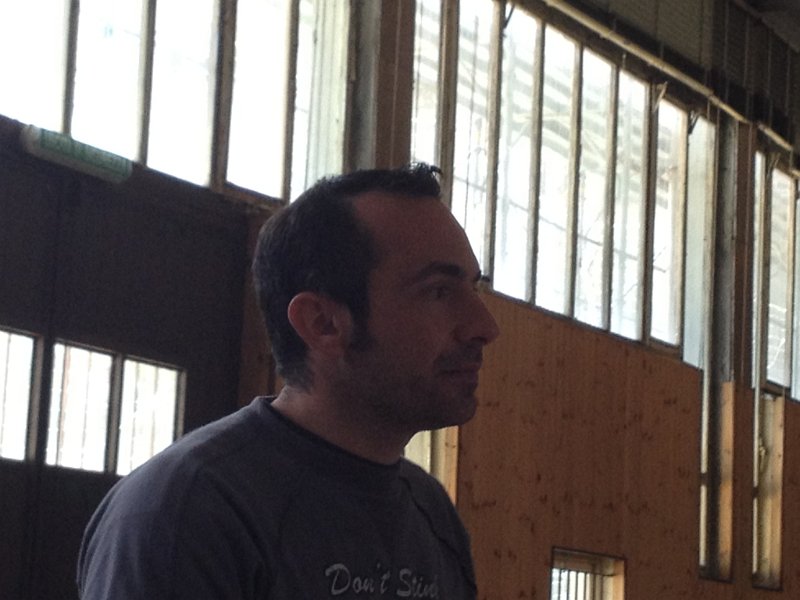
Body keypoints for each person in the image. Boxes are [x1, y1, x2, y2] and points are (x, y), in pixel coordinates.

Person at [77, 163, 500, 599]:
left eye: (474, 288)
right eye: (438, 291)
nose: (485, 327)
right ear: (322, 324)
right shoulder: (190, 512)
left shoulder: (431, 512)